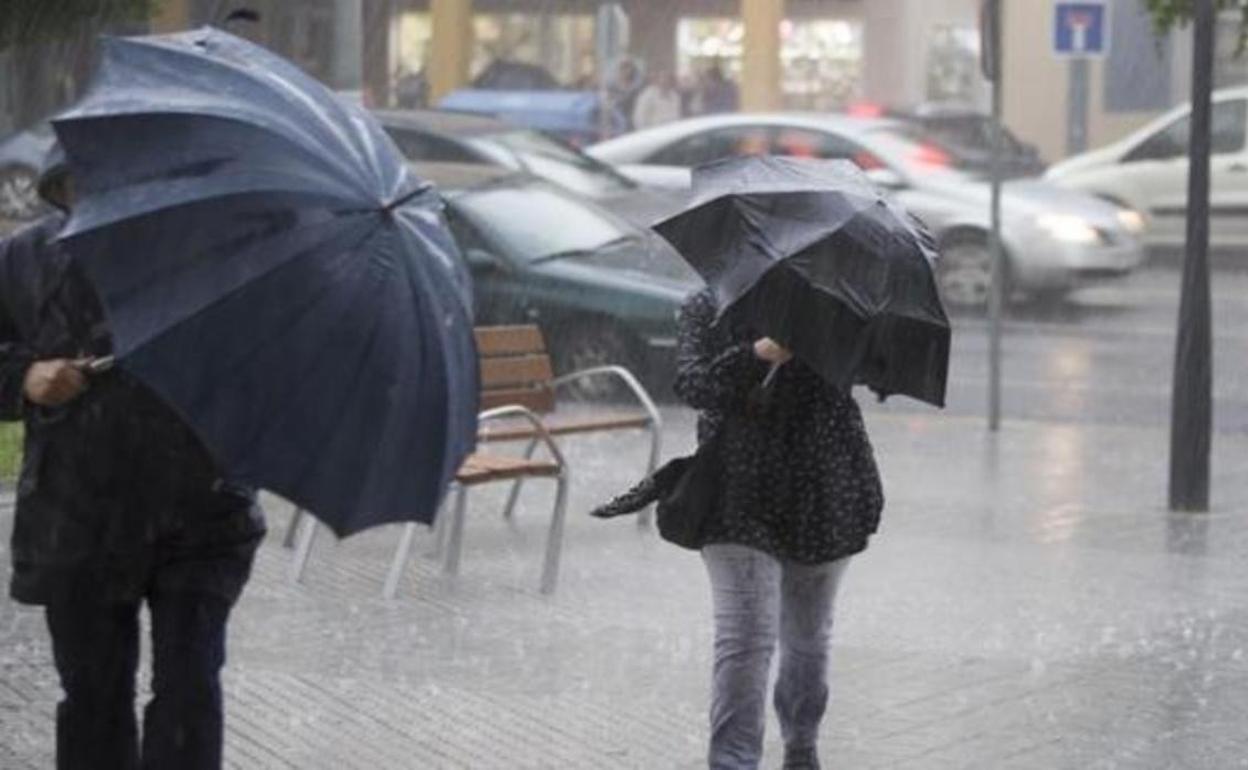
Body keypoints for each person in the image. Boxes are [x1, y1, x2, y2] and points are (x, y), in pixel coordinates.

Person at [0, 147, 265, 769]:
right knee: (93, 697)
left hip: (203, 514)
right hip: (77, 515)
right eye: (80, 188)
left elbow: (272, 367)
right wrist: (24, 376)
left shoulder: (219, 256)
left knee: (188, 691)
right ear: (61, 189)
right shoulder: (25, 259)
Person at [673, 287, 884, 769]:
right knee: (745, 639)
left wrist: (829, 333)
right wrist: (759, 354)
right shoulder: (709, 303)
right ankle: (732, 762)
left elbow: (875, 369)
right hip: (736, 492)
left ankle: (802, 747)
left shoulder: (839, 300)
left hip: (822, 490)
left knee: (808, 636)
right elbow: (693, 384)